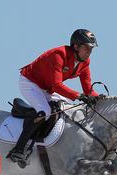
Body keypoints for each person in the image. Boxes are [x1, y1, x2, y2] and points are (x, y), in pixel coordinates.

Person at [7, 29, 100, 164]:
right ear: (76, 46)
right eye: (86, 48)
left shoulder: (85, 62)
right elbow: (56, 85)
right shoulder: (58, 55)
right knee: (45, 111)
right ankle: (18, 149)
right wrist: (78, 96)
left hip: (46, 88)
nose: (89, 52)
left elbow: (88, 89)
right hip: (30, 82)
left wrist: (98, 98)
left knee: (67, 108)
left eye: (91, 49)